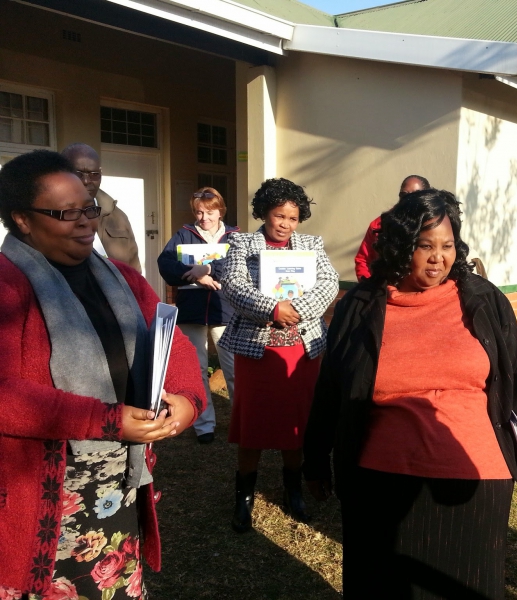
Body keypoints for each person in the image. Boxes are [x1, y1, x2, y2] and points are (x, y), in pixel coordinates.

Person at [304, 189, 517, 599]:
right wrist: (315, 459)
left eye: (448, 246)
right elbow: (331, 387)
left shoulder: (484, 299)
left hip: (475, 482)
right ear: (400, 245)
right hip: (381, 480)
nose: (438, 258)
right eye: (425, 246)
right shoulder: (361, 305)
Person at [0, 150, 205, 599]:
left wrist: (188, 399)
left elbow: (173, 343)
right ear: (22, 220)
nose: (86, 223)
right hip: (42, 494)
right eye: (66, 213)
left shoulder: (122, 279)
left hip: (119, 480)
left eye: (89, 209)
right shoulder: (8, 288)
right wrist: (106, 420)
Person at [219, 178, 338, 529]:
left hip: (301, 350)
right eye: (279, 215)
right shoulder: (242, 243)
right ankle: (243, 497)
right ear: (264, 212)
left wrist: (296, 309)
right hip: (258, 351)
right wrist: (272, 308)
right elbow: (233, 285)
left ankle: (293, 491)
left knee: (297, 421)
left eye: (293, 218)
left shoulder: (311, 244)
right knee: (252, 422)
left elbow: (329, 282)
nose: (285, 224)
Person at [157, 187, 239, 444]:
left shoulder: (235, 236)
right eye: (199, 212)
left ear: (220, 211)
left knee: (233, 368)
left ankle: (242, 421)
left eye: (210, 212)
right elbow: (165, 264)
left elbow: (239, 265)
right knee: (198, 369)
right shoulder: (184, 234)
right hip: (192, 311)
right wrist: (196, 276)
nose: (205, 218)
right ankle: (205, 426)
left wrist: (208, 269)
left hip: (225, 310)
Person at [62, 143, 142, 272]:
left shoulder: (118, 217)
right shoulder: (51, 216)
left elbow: (134, 269)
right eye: (78, 174)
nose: (86, 181)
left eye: (94, 174)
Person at [353, 174, 430, 281]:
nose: (408, 199)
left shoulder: (434, 225)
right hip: (384, 287)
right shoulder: (379, 225)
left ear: (426, 197)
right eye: (404, 194)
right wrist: (368, 286)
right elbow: (363, 260)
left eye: (414, 195)